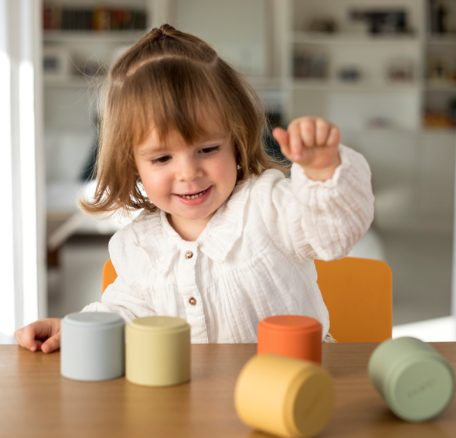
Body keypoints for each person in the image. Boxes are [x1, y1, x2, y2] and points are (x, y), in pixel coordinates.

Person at [16, 24, 374, 353]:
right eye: (161, 159)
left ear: (236, 142)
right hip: (198, 407)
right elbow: (125, 313)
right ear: (132, 165)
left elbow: (333, 233)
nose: (188, 173)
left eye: (207, 149)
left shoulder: (268, 205)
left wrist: (324, 173)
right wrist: (77, 330)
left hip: (296, 389)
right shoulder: (138, 245)